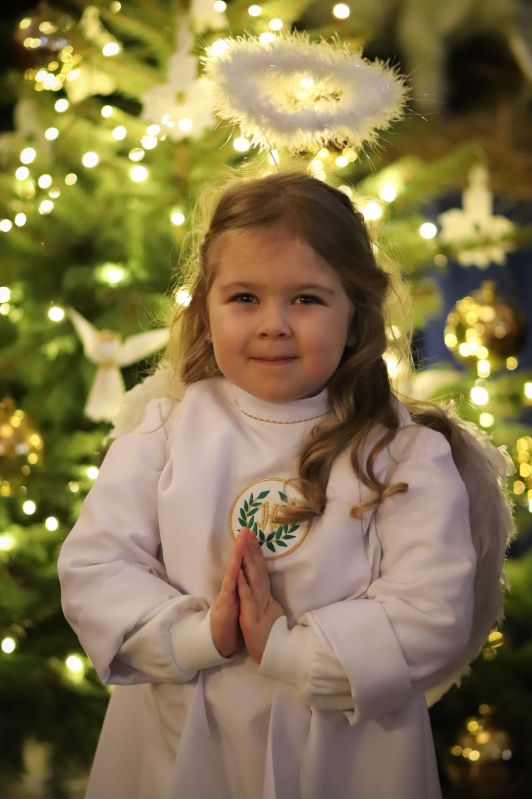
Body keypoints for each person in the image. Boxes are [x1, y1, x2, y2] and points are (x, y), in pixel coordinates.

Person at [58, 171, 511, 799]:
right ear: (206, 307)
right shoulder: (165, 433)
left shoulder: (404, 455)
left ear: (355, 313)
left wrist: (286, 649)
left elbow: (432, 612)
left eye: (306, 299)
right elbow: (96, 569)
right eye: (245, 297)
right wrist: (201, 636)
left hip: (346, 754)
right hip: (182, 744)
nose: (273, 324)